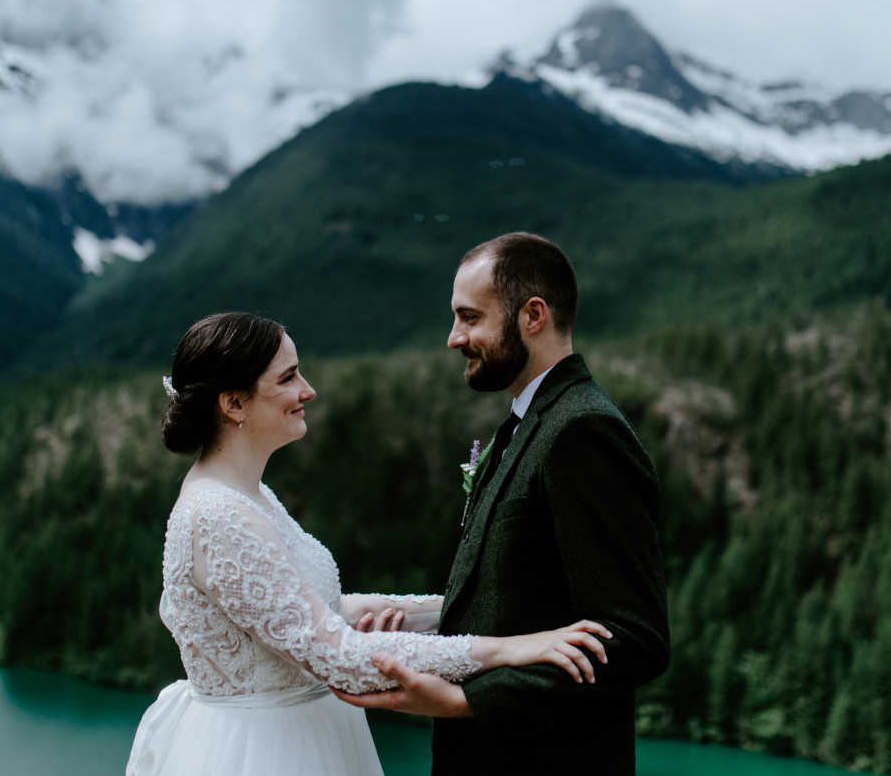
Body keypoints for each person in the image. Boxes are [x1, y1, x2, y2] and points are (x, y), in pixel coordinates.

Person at [125, 310, 614, 776]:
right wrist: (509, 649)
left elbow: (313, 610)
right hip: (260, 747)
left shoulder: (250, 496)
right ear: (233, 404)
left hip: (301, 731)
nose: (308, 390)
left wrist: (464, 609)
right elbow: (338, 655)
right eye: (288, 377)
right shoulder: (219, 514)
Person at [336, 233, 671, 774]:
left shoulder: (583, 430)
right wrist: (420, 625)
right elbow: (518, 597)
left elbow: (635, 638)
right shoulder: (528, 423)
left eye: (469, 317)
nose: (453, 338)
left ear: (532, 315)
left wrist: (465, 701)